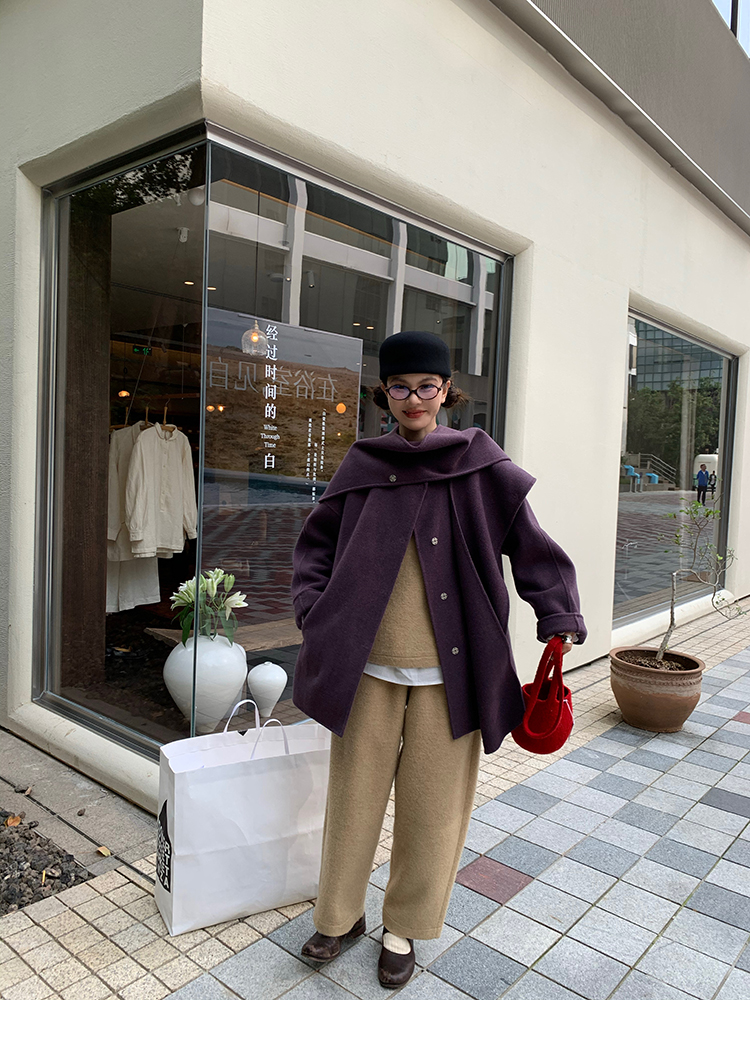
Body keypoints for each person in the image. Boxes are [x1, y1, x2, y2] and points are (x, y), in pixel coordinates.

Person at [291, 331, 586, 988]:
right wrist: (313, 610)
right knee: (352, 802)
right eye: (400, 387)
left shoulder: (483, 467)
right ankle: (339, 917)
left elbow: (533, 548)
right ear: (384, 394)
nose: (414, 398)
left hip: (452, 677)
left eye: (427, 386)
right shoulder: (362, 465)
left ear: (447, 390)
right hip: (365, 669)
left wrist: (558, 614)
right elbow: (314, 548)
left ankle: (404, 927)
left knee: (433, 811)